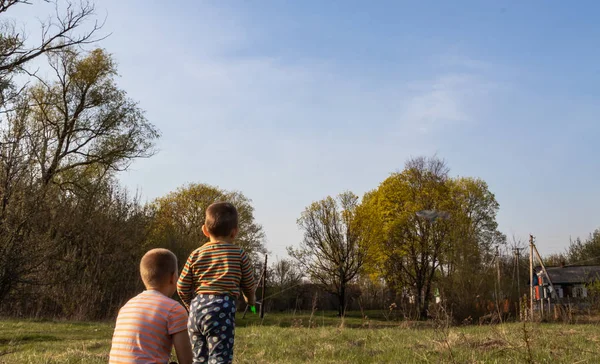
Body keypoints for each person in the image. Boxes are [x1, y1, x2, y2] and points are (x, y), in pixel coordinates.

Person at [177, 202, 256, 364]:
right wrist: (251, 300)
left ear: (205, 230)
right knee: (220, 358)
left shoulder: (196, 254)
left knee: (199, 359)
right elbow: (249, 284)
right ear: (234, 232)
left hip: (196, 309)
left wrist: (189, 306)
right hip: (221, 309)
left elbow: (181, 286)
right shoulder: (239, 253)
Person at [109, 249, 193, 364]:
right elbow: (187, 360)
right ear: (173, 278)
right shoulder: (174, 309)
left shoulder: (126, 307)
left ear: (144, 277)